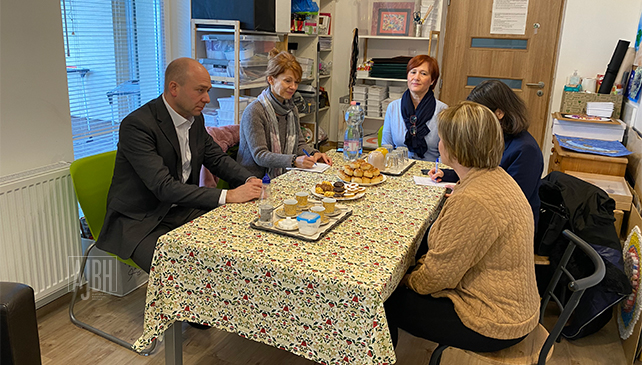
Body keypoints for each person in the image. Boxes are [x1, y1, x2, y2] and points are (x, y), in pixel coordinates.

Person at [384, 101, 540, 353]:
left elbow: (435, 278)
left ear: (456, 148)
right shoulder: (496, 176)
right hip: (516, 304)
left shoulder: (472, 200)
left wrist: (403, 280)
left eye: (443, 139)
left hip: (496, 321)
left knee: (384, 301)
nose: (439, 144)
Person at [96, 58, 263, 273]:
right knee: (180, 271)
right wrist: (228, 195)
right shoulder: (137, 125)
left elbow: (216, 159)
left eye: (208, 90)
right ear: (174, 88)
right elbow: (164, 187)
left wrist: (249, 180)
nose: (206, 98)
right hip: (141, 221)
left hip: (181, 209)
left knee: (234, 244)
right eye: (200, 90)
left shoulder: (195, 119)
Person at [428, 80, 543, 227]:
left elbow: (511, 200)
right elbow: (479, 171)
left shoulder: (526, 150)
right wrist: (448, 174)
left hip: (510, 222)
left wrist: (468, 196)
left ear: (499, 113)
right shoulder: (493, 139)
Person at [237, 49, 332, 178]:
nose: (293, 87)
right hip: (253, 180)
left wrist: (314, 154)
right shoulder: (254, 111)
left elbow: (299, 144)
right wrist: (293, 161)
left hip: (283, 175)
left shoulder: (291, 109)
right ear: (271, 79)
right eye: (288, 81)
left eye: (296, 82)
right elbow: (260, 156)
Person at [381, 55, 448, 161]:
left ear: (432, 81)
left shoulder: (443, 110)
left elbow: (447, 153)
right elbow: (386, 145)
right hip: (398, 169)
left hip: (430, 172)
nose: (416, 78)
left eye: (423, 74)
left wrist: (435, 171)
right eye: (413, 72)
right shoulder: (393, 107)